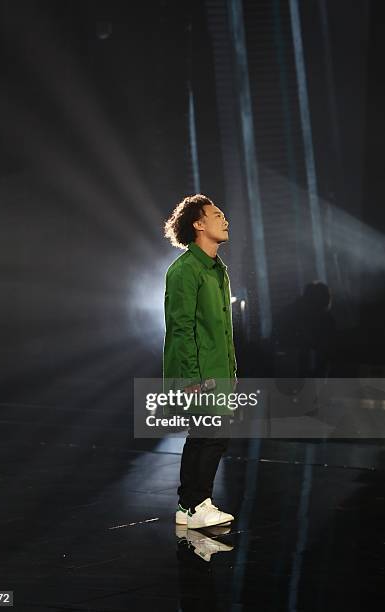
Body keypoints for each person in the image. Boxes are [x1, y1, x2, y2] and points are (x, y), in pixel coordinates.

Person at [163, 194, 237, 529]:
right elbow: (181, 328)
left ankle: (188, 506)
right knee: (211, 436)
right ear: (198, 223)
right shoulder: (185, 270)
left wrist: (231, 372)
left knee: (206, 435)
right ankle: (196, 505)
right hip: (199, 374)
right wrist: (191, 377)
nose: (225, 220)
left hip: (218, 370)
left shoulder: (218, 270)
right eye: (217, 214)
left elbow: (221, 329)